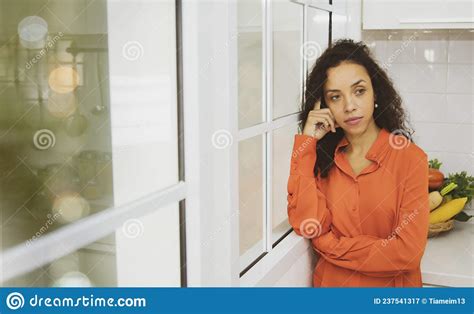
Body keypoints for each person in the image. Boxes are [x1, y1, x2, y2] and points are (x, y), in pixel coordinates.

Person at [287, 39, 430, 287]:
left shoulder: (411, 159)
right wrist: (307, 143)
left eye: (359, 91)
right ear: (324, 106)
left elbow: (407, 252)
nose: (350, 106)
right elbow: (308, 225)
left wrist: (330, 245)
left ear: (376, 92)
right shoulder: (322, 158)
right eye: (335, 97)